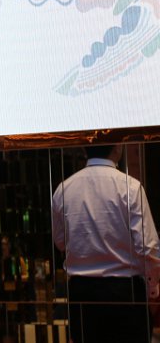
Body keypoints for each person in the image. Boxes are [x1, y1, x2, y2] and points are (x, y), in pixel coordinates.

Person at [52, 144, 160, 343]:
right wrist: (153, 288)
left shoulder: (64, 189)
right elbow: (147, 246)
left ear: (85, 149)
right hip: (124, 291)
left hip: (81, 291)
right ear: (117, 148)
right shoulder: (130, 187)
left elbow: (60, 242)